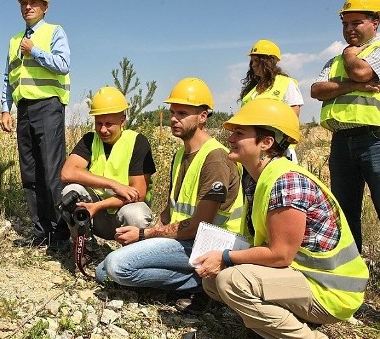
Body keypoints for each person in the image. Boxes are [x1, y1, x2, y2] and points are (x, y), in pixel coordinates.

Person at [195, 98, 369, 339]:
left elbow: (280, 254)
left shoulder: (286, 181)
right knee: (213, 282)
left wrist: (225, 256)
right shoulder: (257, 179)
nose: (231, 139)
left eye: (240, 133)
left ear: (266, 142)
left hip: (329, 290)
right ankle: (275, 329)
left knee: (231, 280)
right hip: (302, 277)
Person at [95, 78, 243, 311]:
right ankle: (194, 281)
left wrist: (144, 235)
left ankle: (204, 284)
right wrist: (151, 237)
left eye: (183, 112)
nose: (174, 118)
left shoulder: (215, 158)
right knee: (102, 273)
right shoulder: (180, 155)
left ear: (203, 116)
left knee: (116, 266)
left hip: (211, 246)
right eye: (172, 112)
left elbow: (197, 225)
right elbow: (169, 211)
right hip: (185, 241)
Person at [0, 0, 71, 251]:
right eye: (23, 3)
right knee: (30, 172)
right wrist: (5, 108)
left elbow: (63, 65)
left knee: (52, 171)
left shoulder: (54, 32)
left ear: (45, 7)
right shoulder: (14, 40)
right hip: (24, 110)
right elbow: (9, 77)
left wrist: (35, 51)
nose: (28, 6)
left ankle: (61, 233)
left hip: (49, 107)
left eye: (33, 3)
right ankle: (41, 230)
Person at [310, 0, 380, 252]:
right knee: (344, 210)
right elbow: (317, 90)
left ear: (375, 22)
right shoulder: (334, 60)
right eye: (345, 24)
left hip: (374, 139)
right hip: (341, 142)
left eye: (356, 22)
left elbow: (361, 70)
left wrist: (351, 54)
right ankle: (352, 270)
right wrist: (352, 84)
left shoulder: (373, 51)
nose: (349, 29)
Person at [60, 86, 154, 248]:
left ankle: (133, 259)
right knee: (71, 192)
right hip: (95, 216)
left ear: (122, 121)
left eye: (109, 124)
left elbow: (138, 194)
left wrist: (98, 206)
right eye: (99, 123)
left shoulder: (137, 142)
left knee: (136, 212)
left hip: (120, 213)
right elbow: (67, 173)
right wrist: (113, 184)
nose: (103, 129)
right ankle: (85, 248)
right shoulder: (90, 140)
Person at [239, 39, 303, 162]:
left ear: (269, 61)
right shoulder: (252, 89)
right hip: (251, 149)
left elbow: (293, 118)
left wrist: (280, 147)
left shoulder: (286, 83)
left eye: (257, 60)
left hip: (276, 149)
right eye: (252, 61)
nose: (253, 65)